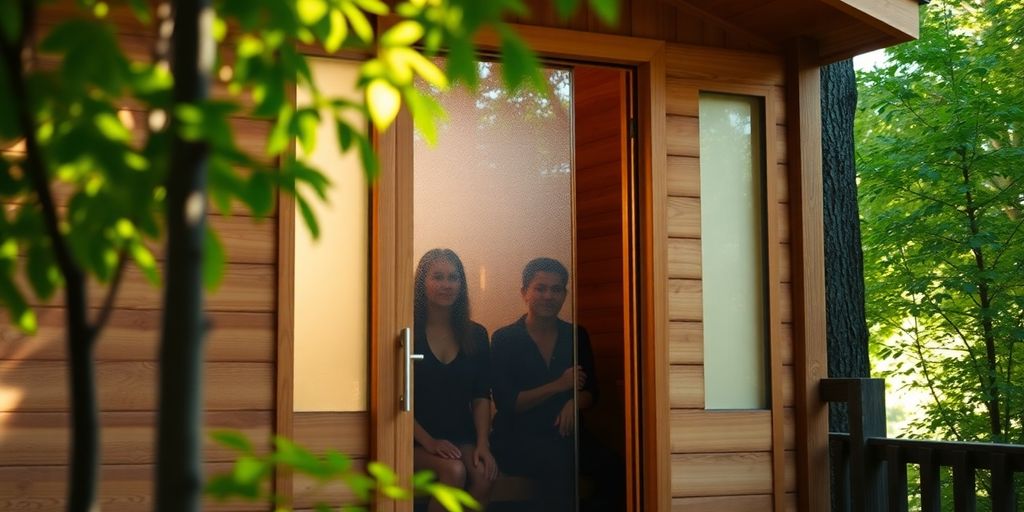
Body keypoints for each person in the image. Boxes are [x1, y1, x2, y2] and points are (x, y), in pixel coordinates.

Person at [490, 257, 598, 512]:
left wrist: (574, 401)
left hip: (567, 437)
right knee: (557, 463)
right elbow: (508, 404)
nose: (549, 295)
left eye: (556, 289)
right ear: (524, 293)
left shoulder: (576, 335)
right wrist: (561, 385)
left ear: (565, 294)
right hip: (517, 438)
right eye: (540, 288)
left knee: (617, 467)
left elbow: (593, 392)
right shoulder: (505, 339)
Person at [412, 249, 498, 511]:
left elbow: (482, 395)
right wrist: (429, 442)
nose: (447, 285)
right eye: (438, 277)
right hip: (414, 438)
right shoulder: (406, 330)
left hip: (461, 437)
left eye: (454, 278)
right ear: (422, 283)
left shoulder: (476, 333)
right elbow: (395, 396)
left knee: (484, 476)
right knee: (454, 471)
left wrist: (483, 444)